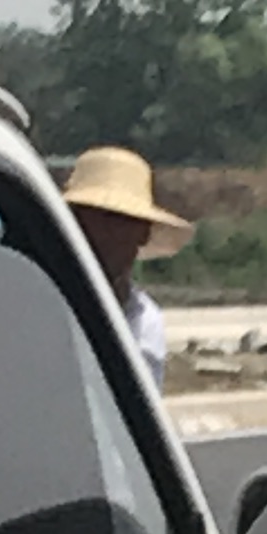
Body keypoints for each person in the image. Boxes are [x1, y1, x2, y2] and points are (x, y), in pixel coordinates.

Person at [61, 145, 192, 387]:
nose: (105, 234)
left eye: (121, 221)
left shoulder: (144, 324)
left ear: (143, 233)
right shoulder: (36, 297)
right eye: (96, 217)